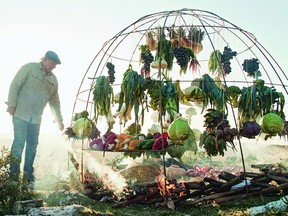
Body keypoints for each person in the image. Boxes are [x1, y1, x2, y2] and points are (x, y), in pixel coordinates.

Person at [5, 50, 64, 187]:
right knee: (19, 143)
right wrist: (12, 105)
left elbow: (55, 101)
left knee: (32, 146)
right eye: (52, 63)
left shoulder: (53, 80)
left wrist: (59, 120)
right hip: (21, 114)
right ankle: (13, 177)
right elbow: (15, 85)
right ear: (45, 59)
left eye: (56, 65)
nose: (54, 66)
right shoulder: (29, 68)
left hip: (36, 119)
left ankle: (28, 177)